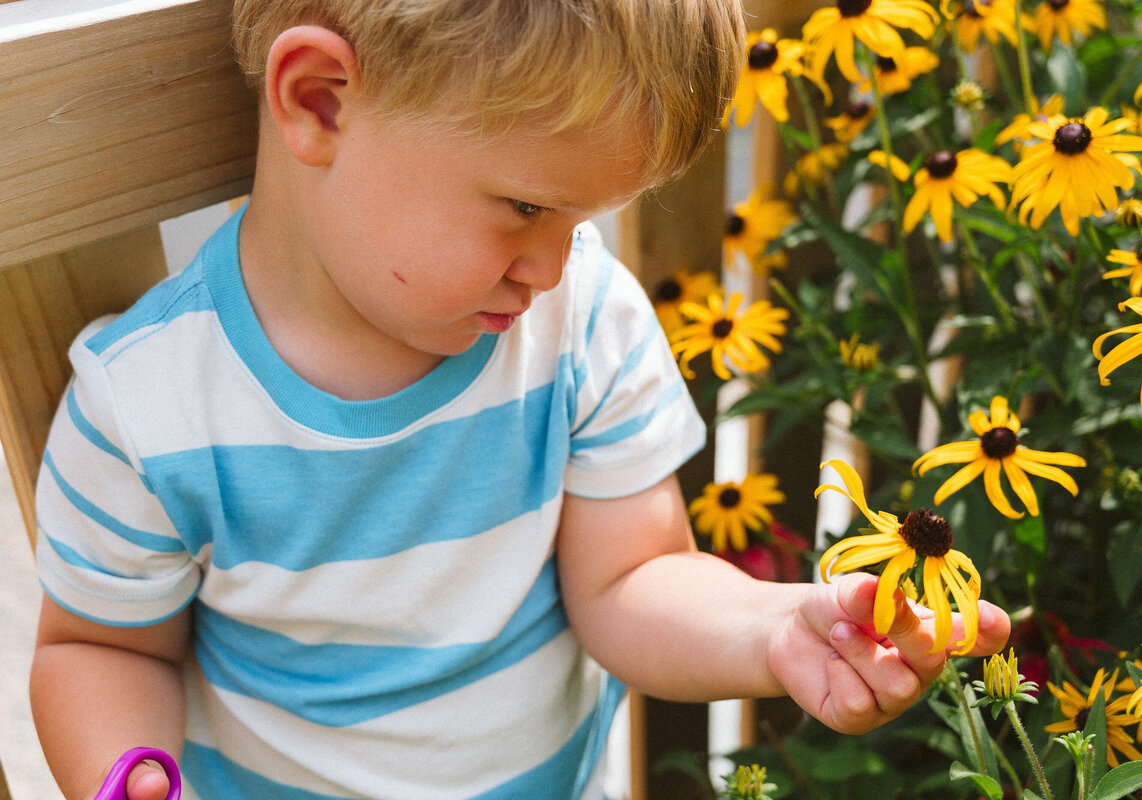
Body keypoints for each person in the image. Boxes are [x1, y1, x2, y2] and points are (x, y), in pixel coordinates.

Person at [27, 1, 1011, 798]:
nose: (549, 265)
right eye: (528, 207)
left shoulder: (580, 325)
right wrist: (125, 779)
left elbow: (630, 580)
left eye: (583, 220)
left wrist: (772, 629)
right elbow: (103, 652)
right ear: (323, 102)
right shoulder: (148, 409)